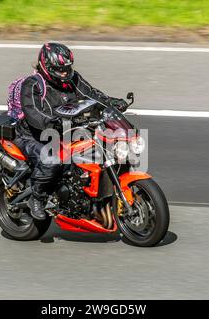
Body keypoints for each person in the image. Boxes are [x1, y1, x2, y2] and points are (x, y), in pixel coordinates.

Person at [11, 42, 128, 221]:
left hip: (65, 130)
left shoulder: (73, 79)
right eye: (61, 69)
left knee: (99, 147)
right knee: (53, 160)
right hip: (33, 134)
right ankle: (37, 198)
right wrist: (52, 122)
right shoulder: (33, 84)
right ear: (47, 66)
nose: (65, 72)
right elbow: (33, 112)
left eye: (67, 68)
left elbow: (92, 94)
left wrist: (113, 103)